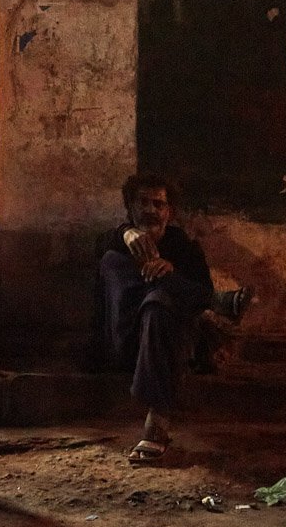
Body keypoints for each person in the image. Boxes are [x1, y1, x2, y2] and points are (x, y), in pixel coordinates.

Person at [98, 174, 250, 466]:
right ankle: (220, 303)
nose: (151, 210)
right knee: (113, 263)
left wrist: (170, 273)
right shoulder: (116, 243)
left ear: (170, 212)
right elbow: (102, 248)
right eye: (143, 202)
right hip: (126, 340)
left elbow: (194, 304)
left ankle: (156, 427)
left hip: (165, 344)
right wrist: (125, 234)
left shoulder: (184, 248)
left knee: (158, 304)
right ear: (129, 208)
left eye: (159, 204)